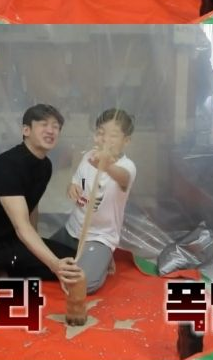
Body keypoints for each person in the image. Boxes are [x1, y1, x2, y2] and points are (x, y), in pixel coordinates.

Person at [0, 104, 83, 292]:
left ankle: (6, 269)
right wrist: (54, 264)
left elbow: (32, 205)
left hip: (13, 243)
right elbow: (22, 226)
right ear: (26, 130)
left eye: (56, 126)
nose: (51, 130)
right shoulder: (8, 165)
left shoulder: (45, 166)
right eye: (44, 124)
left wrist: (35, 246)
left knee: (77, 264)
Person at [51, 108, 136, 293]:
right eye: (101, 133)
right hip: (72, 230)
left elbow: (124, 178)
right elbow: (78, 181)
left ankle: (102, 260)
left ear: (126, 141)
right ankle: (91, 259)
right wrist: (72, 187)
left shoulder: (127, 166)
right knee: (38, 261)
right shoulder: (89, 156)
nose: (105, 139)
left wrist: (106, 165)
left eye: (113, 135)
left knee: (81, 284)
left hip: (99, 237)